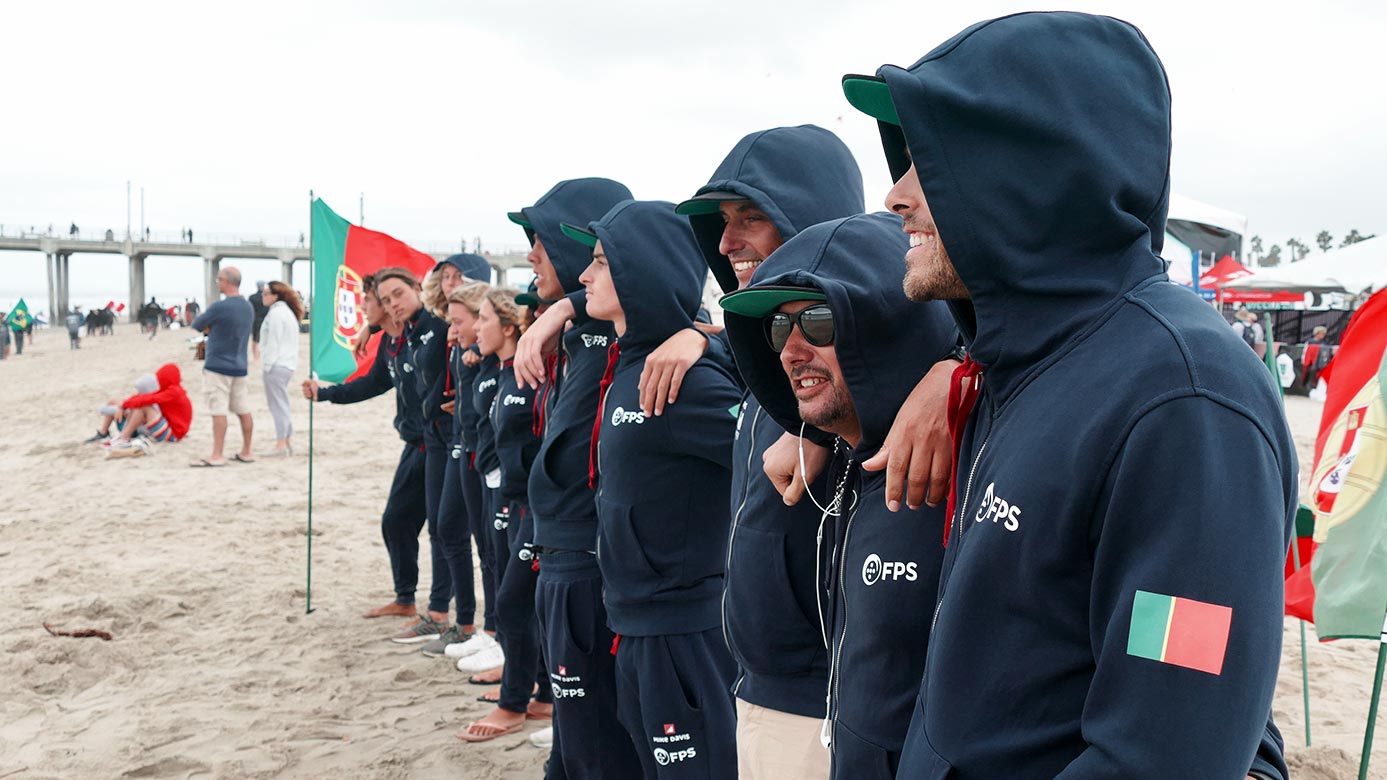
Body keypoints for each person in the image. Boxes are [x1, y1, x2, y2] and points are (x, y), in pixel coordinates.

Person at [842, 12, 1295, 777]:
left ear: (1032, 167)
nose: (894, 196)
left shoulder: (1185, 399)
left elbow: (1163, 752)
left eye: (930, 161)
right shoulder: (1018, 367)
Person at [671, 125, 880, 779]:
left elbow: (953, 340)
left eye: (751, 218)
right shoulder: (769, 354)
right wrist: (698, 338)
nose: (727, 242)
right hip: (757, 682)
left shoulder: (879, 360)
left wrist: (938, 381)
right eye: (721, 224)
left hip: (824, 700)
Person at [721, 213, 957, 777]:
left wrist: (956, 366)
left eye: (819, 321)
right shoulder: (848, 460)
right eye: (779, 329)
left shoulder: (961, 451)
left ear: (882, 323)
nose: (791, 350)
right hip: (822, 730)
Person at [568, 200, 742, 778]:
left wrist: (708, 343)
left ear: (640, 269)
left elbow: (776, 443)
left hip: (683, 630)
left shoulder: (681, 380)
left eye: (600, 262)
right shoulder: (628, 365)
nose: (584, 276)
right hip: (634, 623)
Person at [507, 177, 641, 778]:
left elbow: (672, 303)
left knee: (597, 742)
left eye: (540, 239)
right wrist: (562, 311)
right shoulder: (578, 333)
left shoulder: (622, 330)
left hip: (590, 562)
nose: (532, 254)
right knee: (574, 738)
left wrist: (568, 305)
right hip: (560, 550)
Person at [303, 269, 430, 620]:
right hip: (414, 443)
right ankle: (405, 599)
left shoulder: (418, 335)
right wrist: (325, 394)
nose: (363, 308)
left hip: (437, 445)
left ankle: (439, 611)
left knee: (439, 528)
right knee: (396, 522)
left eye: (368, 303)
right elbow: (372, 384)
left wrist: (371, 327)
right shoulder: (390, 344)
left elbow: (440, 316)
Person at [460, 288, 555, 741]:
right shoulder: (507, 372)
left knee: (514, 602)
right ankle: (541, 694)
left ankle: (514, 703)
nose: (477, 327)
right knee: (516, 597)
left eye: (483, 319)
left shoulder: (537, 372)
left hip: (534, 504)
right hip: (512, 498)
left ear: (510, 326)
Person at [424, 280, 494, 662]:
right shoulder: (462, 351)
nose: (451, 331)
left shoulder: (484, 354)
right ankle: (466, 621)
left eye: (458, 322)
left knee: (486, 544)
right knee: (446, 526)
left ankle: (489, 628)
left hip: (475, 452)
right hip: (458, 442)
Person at [189, 266, 255, 467]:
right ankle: (246, 451)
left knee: (218, 410)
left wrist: (212, 326)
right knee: (243, 409)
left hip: (218, 365)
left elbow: (197, 324)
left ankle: (217, 454)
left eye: (219, 280)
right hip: (240, 365)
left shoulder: (220, 307)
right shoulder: (247, 306)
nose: (217, 283)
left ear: (226, 282)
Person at [98, 363, 193, 451]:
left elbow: (147, 399)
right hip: (173, 430)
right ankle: (121, 437)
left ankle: (123, 437)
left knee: (144, 406)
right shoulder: (172, 390)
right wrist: (124, 405)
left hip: (174, 434)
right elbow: (144, 397)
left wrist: (123, 405)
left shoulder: (173, 392)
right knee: (140, 404)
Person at [259, 281, 303, 457]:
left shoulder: (276, 314)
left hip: (277, 364)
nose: (263, 296)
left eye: (266, 293)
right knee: (282, 403)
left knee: (277, 405)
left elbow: (273, 342)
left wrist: (267, 366)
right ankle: (286, 440)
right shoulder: (288, 313)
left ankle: (281, 443)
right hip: (287, 364)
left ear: (275, 296)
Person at [249, 282, 269, 361]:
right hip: (266, 321)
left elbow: (250, 310)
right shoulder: (268, 297)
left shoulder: (252, 297)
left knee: (255, 340)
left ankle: (256, 358)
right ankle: (264, 357)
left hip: (255, 321)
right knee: (267, 340)